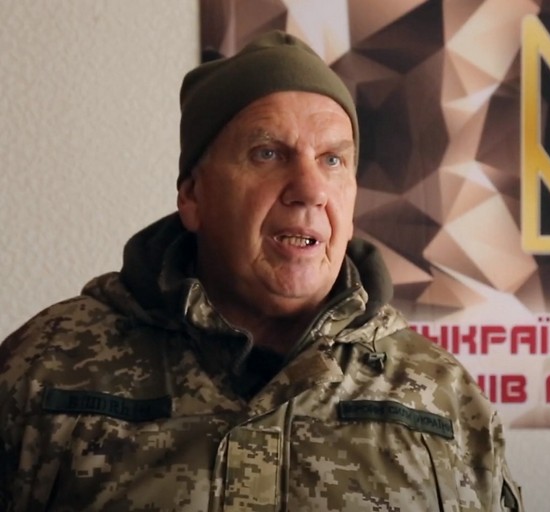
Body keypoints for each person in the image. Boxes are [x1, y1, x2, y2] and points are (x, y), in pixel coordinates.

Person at [0, 31, 522, 511]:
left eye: (333, 160)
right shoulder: (46, 369)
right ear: (193, 196)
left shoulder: (442, 395)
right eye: (267, 153)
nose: (310, 189)